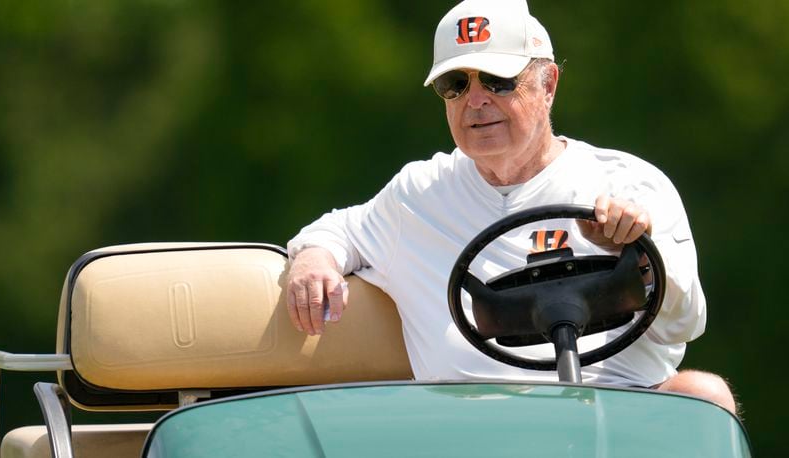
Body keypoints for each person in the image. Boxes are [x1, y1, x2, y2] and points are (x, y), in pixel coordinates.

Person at [285, 0, 737, 413]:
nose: (476, 101)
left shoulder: (630, 184)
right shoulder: (417, 194)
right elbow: (336, 231)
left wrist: (635, 249)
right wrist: (314, 259)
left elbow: (685, 323)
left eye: (499, 81)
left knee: (705, 396)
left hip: (615, 411)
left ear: (548, 86)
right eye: (455, 84)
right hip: (468, 425)